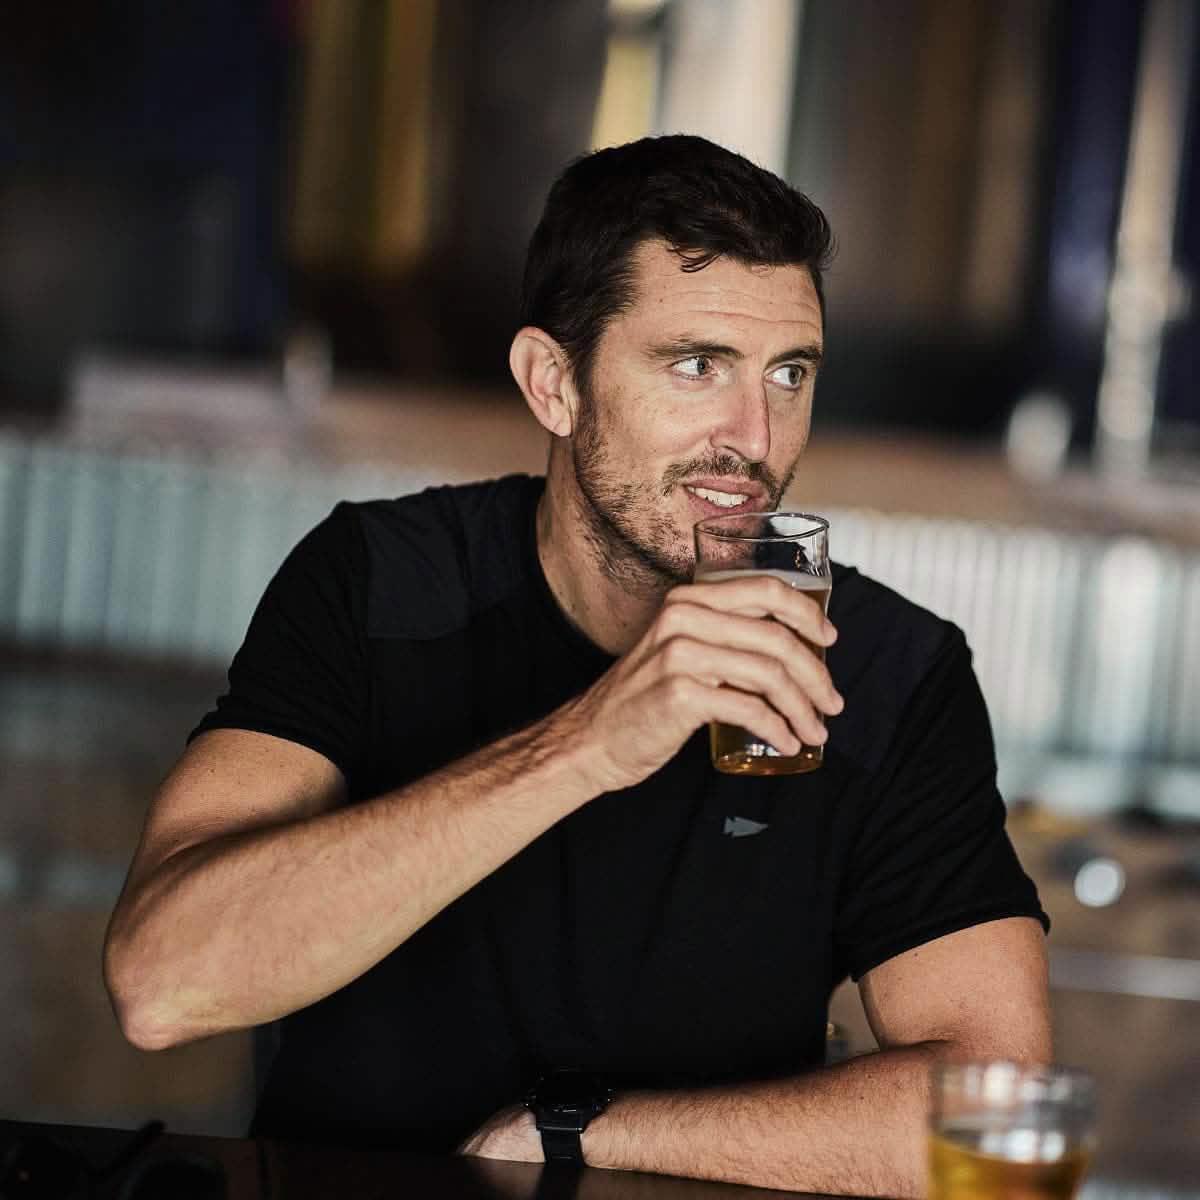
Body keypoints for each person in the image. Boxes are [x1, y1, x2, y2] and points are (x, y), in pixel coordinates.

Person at [104, 135, 1050, 1198]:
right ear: (553, 383)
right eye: (696, 366)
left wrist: (580, 1136)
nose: (755, 436)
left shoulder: (884, 669)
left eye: (790, 374)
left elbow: (1004, 1136)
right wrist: (590, 742)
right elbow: (163, 986)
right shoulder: (384, 583)